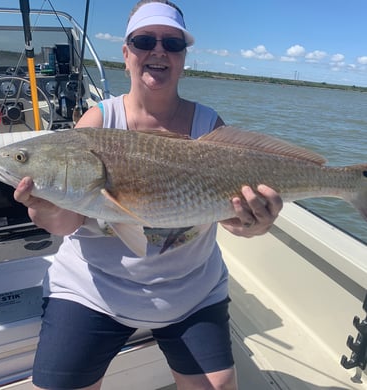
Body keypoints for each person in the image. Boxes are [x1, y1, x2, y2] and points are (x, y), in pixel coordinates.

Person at [14, 1, 283, 389]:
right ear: (126, 55)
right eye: (144, 40)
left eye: (172, 43)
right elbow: (68, 222)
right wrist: (43, 208)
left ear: (183, 58)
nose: (158, 50)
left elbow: (235, 221)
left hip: (191, 293)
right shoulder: (97, 124)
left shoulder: (209, 126)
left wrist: (255, 224)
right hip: (95, 292)